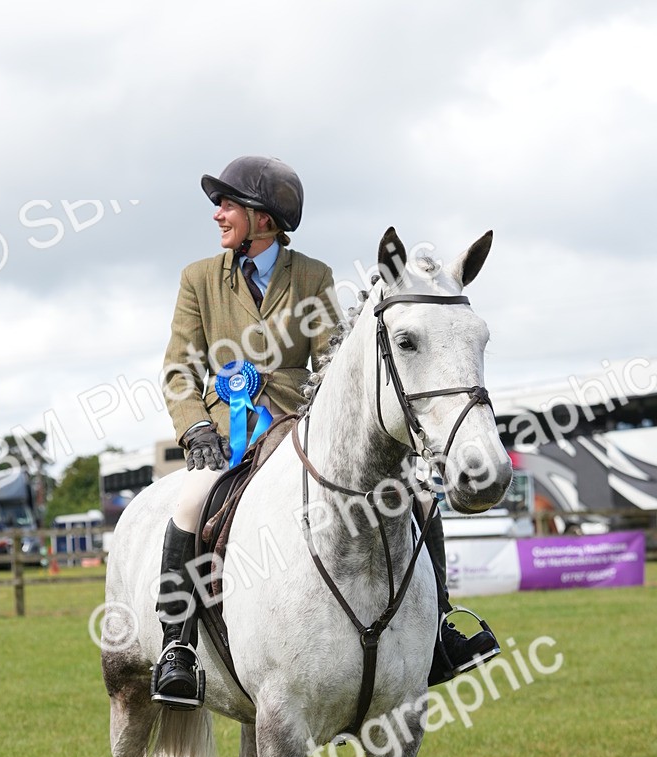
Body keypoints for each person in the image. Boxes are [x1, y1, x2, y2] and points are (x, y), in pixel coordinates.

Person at [151, 155, 499, 708]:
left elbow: (337, 365)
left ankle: (440, 632)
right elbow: (178, 369)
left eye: (228, 204)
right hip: (221, 432)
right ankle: (178, 647)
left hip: (295, 423)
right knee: (190, 504)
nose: (218, 214)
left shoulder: (311, 277)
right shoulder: (198, 280)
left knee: (421, 501)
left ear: (263, 218)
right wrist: (194, 427)